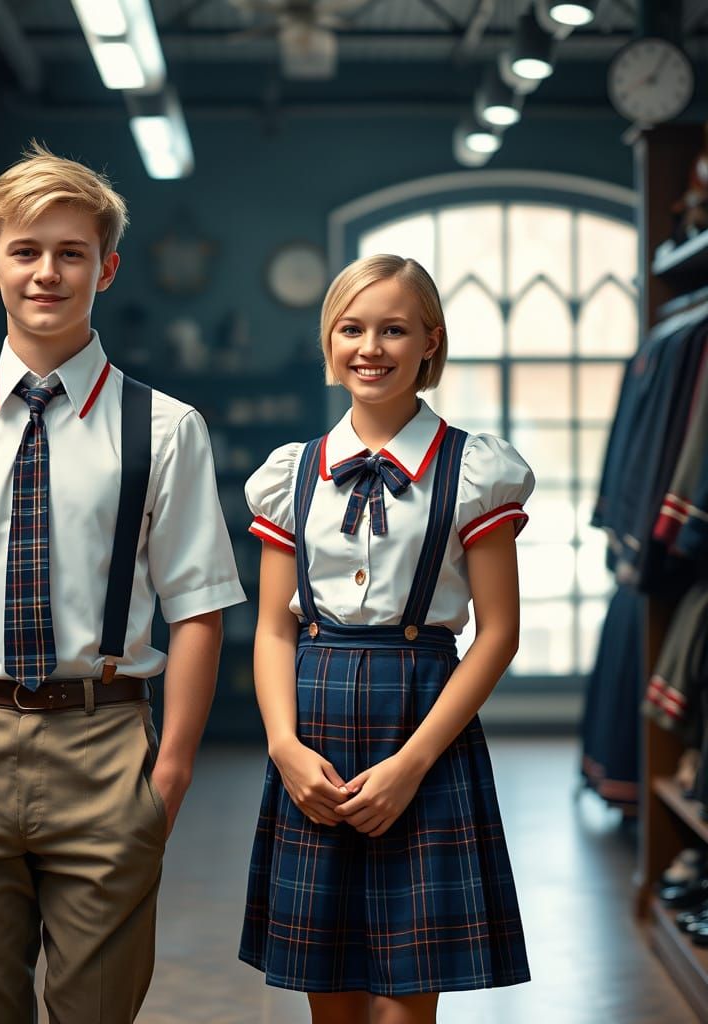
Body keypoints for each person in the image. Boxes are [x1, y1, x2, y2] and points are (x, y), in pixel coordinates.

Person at [0, 142, 245, 1024]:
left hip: (102, 744)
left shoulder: (166, 429)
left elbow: (198, 612)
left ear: (106, 269)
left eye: (72, 253)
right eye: (26, 251)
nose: (47, 273)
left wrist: (170, 772)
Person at [238, 254, 533, 1024]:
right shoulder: (291, 474)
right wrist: (283, 747)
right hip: (315, 738)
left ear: (430, 342)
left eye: (394, 330)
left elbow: (499, 633)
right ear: (329, 342)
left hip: (424, 733)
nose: (371, 348)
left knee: (406, 1007)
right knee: (330, 1003)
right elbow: (274, 626)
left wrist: (412, 764)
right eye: (352, 329)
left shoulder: (474, 469)